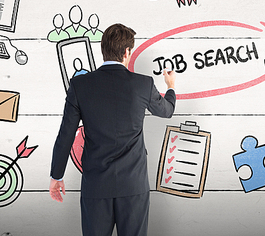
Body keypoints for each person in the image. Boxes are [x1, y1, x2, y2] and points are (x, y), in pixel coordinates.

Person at [49, 23, 176, 236]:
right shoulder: (143, 84)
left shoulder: (79, 85)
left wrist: (56, 175)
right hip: (133, 186)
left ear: (103, 49)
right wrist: (170, 86)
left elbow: (66, 135)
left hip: (96, 187)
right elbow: (167, 111)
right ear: (127, 52)